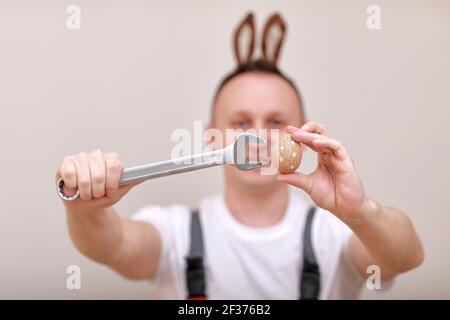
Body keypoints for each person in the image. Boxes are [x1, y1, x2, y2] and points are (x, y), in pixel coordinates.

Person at [56, 12, 424, 299]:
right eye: (241, 121)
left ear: (304, 136)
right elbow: (113, 245)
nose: (257, 135)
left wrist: (359, 211)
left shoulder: (335, 233)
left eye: (276, 121)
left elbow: (404, 257)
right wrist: (86, 210)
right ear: (211, 135)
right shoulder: (175, 232)